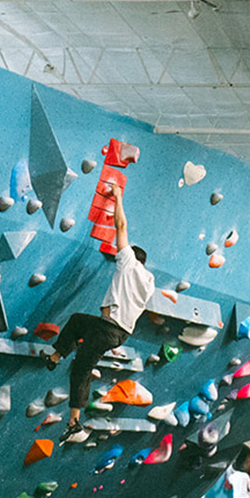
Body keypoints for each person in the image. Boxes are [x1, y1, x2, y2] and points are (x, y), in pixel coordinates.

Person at [45, 183, 155, 444]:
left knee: (82, 368)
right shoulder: (149, 281)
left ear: (132, 257)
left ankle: (73, 423)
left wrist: (117, 198)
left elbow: (121, 227)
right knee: (77, 321)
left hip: (108, 329)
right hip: (117, 331)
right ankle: (55, 355)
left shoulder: (128, 262)